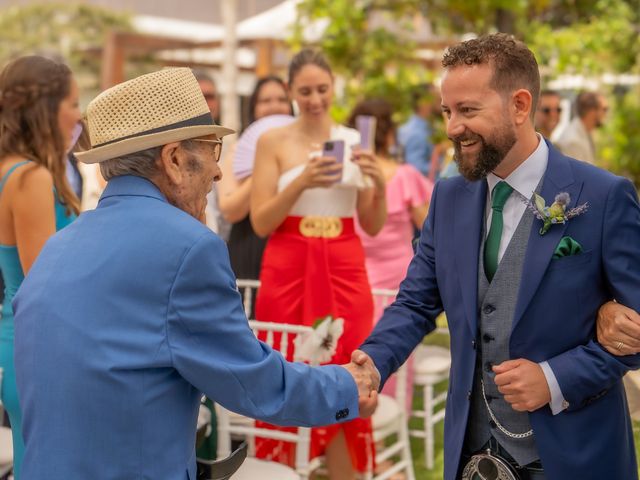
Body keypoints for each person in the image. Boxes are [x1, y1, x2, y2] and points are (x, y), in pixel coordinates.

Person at [12, 67, 378, 480]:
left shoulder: (60, 245)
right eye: (211, 150)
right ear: (173, 160)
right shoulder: (189, 246)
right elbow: (255, 384)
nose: (218, 172)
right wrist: (348, 385)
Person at [352, 33, 640, 480]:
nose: (451, 128)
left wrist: (556, 377)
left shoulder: (603, 197)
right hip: (473, 453)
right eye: (448, 112)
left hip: (573, 456)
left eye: (468, 110)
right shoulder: (448, 198)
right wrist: (373, 362)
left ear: (520, 106)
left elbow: (635, 329)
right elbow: (415, 302)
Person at [250, 49, 386, 479]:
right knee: (286, 366)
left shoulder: (354, 137)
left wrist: (378, 183)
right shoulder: (272, 142)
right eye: (305, 91)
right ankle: (284, 469)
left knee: (349, 368)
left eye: (322, 89)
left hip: (344, 263)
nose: (314, 99)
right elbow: (260, 221)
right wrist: (302, 182)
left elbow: (372, 223)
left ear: (333, 88)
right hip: (288, 261)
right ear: (290, 91)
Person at [0, 55, 81, 479]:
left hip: (21, 338)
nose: (79, 114)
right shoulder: (29, 177)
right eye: (72, 102)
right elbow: (46, 287)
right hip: (43, 344)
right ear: (46, 108)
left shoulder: (12, 169)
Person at [217, 75, 292, 305]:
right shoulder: (239, 151)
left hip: (292, 244)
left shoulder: (304, 148)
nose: (274, 106)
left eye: (281, 99)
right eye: (265, 100)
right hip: (250, 245)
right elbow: (230, 210)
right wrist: (263, 166)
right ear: (253, 108)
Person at [556, 90, 608, 165]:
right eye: (604, 109)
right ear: (592, 111)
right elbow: (579, 175)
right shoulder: (573, 142)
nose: (606, 114)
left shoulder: (583, 132)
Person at [398, 83, 438, 178]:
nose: (439, 102)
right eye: (436, 98)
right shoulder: (416, 133)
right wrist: (440, 168)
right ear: (422, 102)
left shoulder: (428, 127)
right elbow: (415, 168)